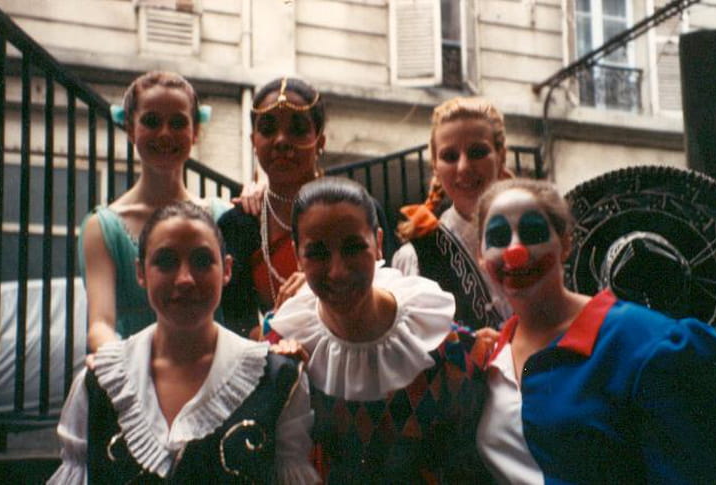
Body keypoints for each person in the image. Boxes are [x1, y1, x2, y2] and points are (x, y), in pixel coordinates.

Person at [474, 178, 716, 483]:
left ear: (565, 244)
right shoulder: (489, 356)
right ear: (481, 256)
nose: (515, 251)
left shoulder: (651, 345)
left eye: (533, 232)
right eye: (498, 237)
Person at [49, 202, 318, 484]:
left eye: (202, 261)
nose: (185, 279)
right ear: (141, 272)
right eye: (166, 262)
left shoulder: (276, 379)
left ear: (227, 270)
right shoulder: (99, 384)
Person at [265, 177, 489, 483]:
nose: (337, 271)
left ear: (379, 243)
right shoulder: (282, 344)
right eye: (317, 253)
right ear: (297, 256)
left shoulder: (443, 346)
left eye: (353, 248)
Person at [218, 77, 396, 338]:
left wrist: (315, 290)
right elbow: (238, 322)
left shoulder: (359, 212)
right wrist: (280, 342)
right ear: (253, 141)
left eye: (297, 129)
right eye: (268, 129)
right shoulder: (237, 224)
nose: (281, 140)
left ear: (320, 142)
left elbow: (390, 289)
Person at [80, 71, 230, 352]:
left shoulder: (224, 216)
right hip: (134, 371)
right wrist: (125, 366)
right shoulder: (102, 227)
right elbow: (100, 324)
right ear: (130, 129)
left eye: (177, 122)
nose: (165, 133)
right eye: (151, 121)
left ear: (195, 131)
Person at [392, 97, 511, 330]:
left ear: (501, 157)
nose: (464, 167)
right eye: (450, 156)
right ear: (435, 166)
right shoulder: (417, 257)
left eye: (477, 152)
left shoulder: (537, 238)